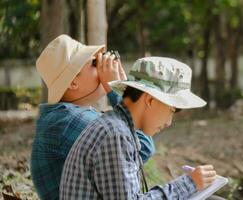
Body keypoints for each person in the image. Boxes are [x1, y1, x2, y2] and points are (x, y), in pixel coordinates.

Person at [60, 57, 220, 199]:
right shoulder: (115, 134)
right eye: (172, 111)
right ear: (150, 100)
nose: (168, 122)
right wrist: (189, 184)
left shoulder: (118, 128)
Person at [31, 35, 155, 200]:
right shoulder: (68, 121)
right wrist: (119, 91)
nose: (104, 67)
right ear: (73, 83)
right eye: (95, 63)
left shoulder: (66, 116)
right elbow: (143, 147)